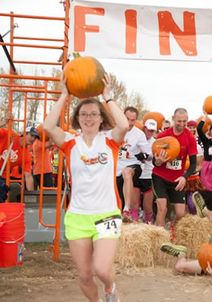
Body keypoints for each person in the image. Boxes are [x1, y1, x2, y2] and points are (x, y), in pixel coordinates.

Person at [43, 73, 128, 302]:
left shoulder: (110, 140)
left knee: (101, 270)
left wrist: (107, 97)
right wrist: (64, 95)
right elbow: (48, 125)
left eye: (93, 114)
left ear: (101, 118)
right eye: (84, 114)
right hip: (78, 216)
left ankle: (110, 289)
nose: (89, 118)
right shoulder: (70, 143)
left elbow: (124, 124)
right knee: (85, 275)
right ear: (77, 118)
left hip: (107, 214)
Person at [152, 108, 197, 228]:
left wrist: (184, 177)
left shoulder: (190, 138)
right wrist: (158, 161)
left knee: (180, 213)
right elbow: (154, 162)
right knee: (162, 208)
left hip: (177, 180)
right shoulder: (163, 136)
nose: (182, 124)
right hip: (160, 177)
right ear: (173, 118)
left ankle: (173, 231)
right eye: (179, 121)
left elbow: (193, 164)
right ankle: (159, 236)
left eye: (184, 121)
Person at [116, 106, 148, 222]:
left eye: (133, 120)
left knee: (127, 172)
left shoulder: (139, 134)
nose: (129, 123)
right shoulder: (114, 130)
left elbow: (149, 155)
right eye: (127, 119)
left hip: (132, 164)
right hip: (115, 167)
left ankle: (127, 208)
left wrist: (144, 156)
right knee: (117, 200)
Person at [137, 119, 158, 224]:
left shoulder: (155, 142)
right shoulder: (136, 138)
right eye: (148, 130)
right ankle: (134, 223)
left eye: (152, 131)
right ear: (144, 128)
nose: (150, 132)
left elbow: (155, 157)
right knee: (134, 203)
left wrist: (147, 156)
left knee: (147, 203)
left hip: (148, 174)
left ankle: (148, 222)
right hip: (136, 173)